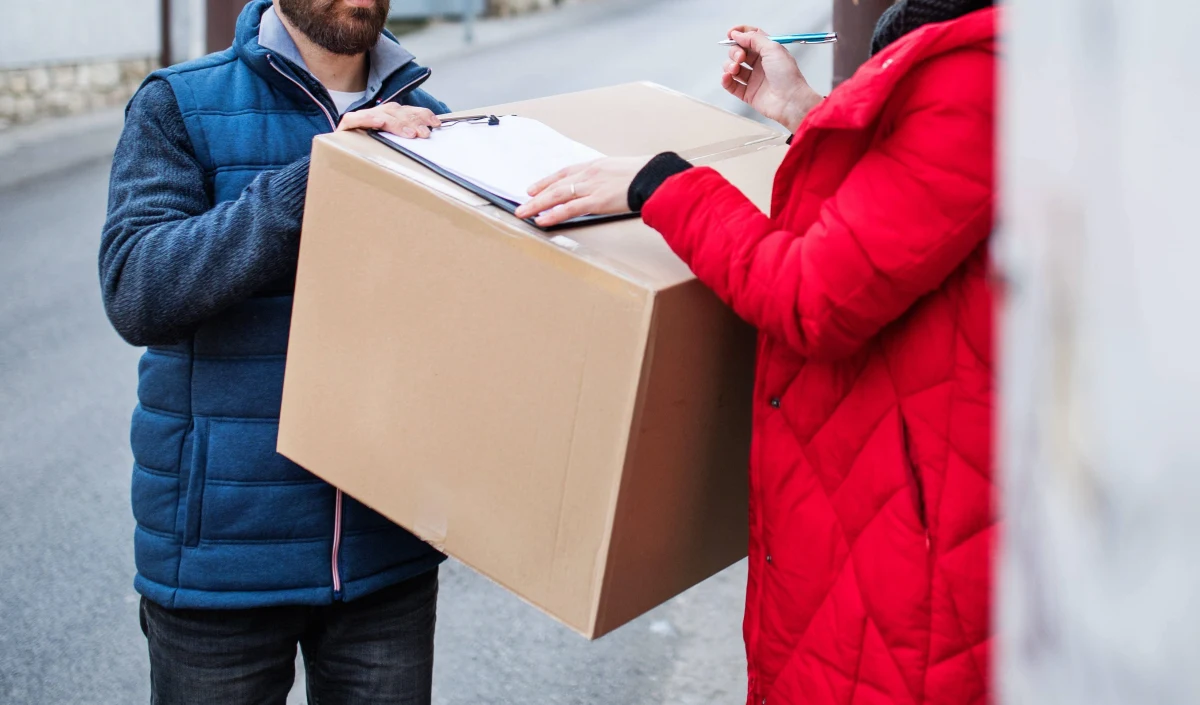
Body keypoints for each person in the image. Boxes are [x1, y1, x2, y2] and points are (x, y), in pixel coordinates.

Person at [517, 1, 998, 703]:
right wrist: (801, 107)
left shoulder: (982, 76)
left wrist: (661, 184)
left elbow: (813, 298)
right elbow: (905, 204)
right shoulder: (970, 56)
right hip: (879, 482)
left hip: (908, 524)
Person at [100, 0, 450, 702]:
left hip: (386, 559)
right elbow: (138, 290)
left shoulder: (432, 121)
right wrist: (315, 178)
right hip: (221, 565)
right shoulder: (181, 104)